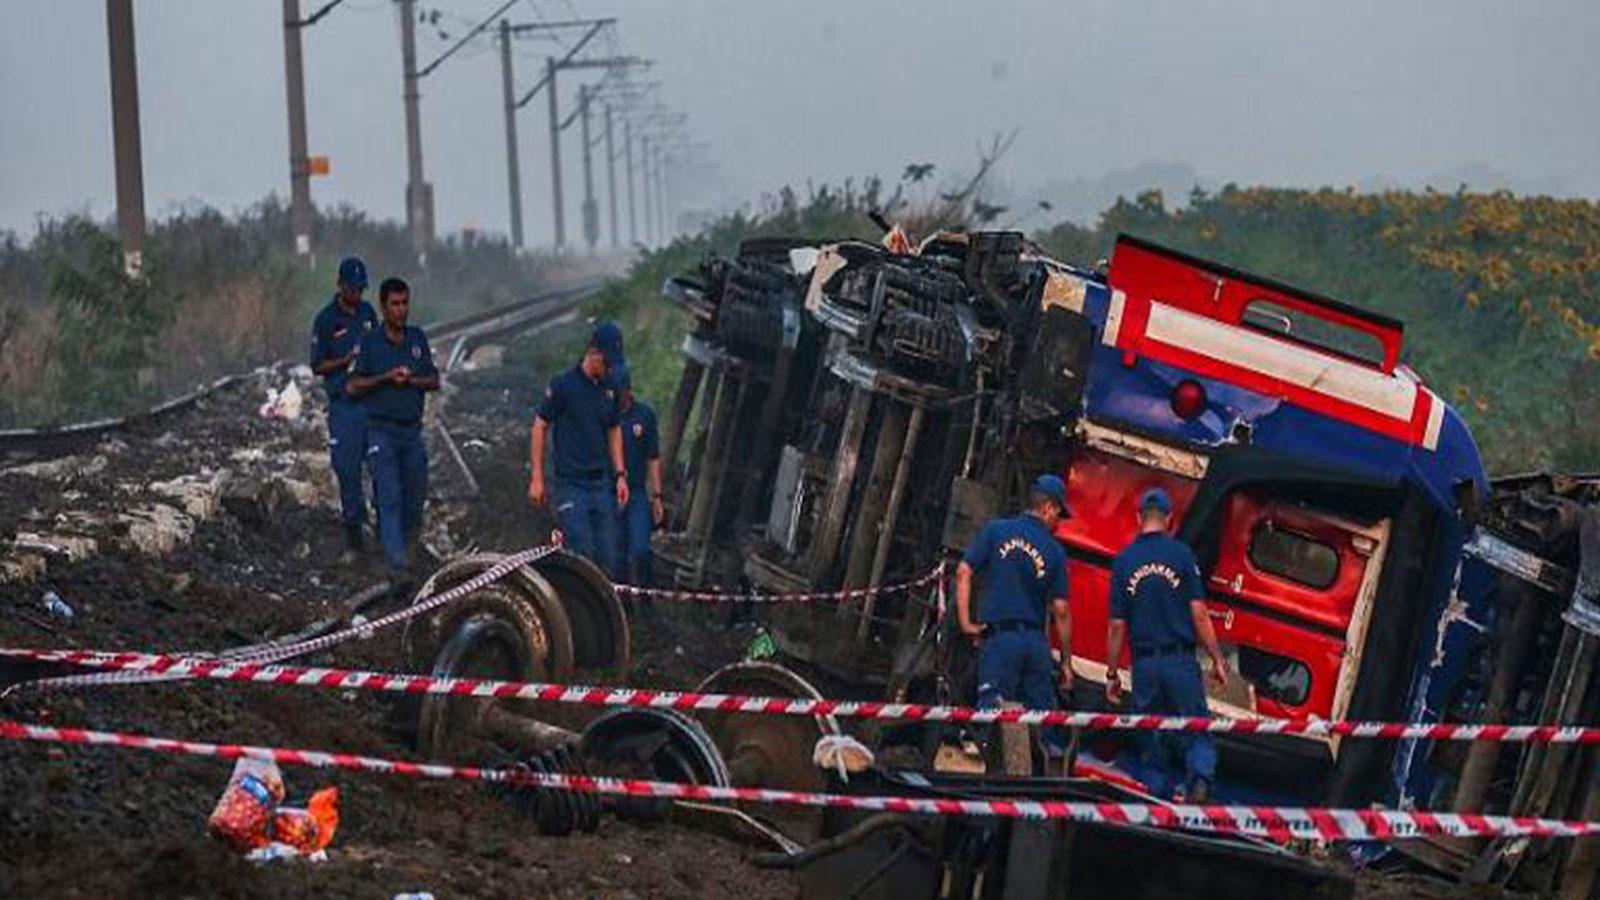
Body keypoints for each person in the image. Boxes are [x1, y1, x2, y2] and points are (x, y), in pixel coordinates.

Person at [1104, 487, 1229, 802]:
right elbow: (1199, 614)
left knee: (1151, 731)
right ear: (1170, 520)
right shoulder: (1182, 556)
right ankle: (1199, 781)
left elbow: (1116, 626)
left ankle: (1159, 794)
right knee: (1195, 726)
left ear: (1138, 519)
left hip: (1145, 664)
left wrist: (1112, 672)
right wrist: (1217, 658)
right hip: (1179, 661)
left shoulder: (1123, 562)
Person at [955, 474, 1074, 718]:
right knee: (1037, 721)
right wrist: (1065, 663)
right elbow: (1061, 610)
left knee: (992, 717)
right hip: (1035, 645)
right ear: (1047, 507)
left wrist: (966, 623)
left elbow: (963, 571)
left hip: (1000, 640)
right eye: (1058, 515)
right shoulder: (1056, 551)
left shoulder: (995, 531)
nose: (1058, 523)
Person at [346, 277, 439, 574]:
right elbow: (353, 385)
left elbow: (434, 379)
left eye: (405, 303)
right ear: (384, 308)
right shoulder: (370, 343)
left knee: (415, 493)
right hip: (380, 431)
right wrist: (385, 378)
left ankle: (409, 550)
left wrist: (410, 380)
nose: (401, 310)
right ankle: (396, 564)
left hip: (411, 432)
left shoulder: (417, 339)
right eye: (395, 304)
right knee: (389, 495)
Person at [527, 324, 629, 578]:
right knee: (580, 550)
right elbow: (540, 425)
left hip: (601, 483)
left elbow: (614, 429)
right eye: (605, 362)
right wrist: (537, 478)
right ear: (593, 353)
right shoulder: (563, 386)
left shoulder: (611, 386)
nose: (608, 369)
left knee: (609, 555)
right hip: (571, 483)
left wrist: (620, 474)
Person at [309, 256, 378, 558]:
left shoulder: (367, 313)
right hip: (344, 406)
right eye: (351, 289)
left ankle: (386, 530)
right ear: (340, 286)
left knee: (380, 466)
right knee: (347, 469)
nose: (356, 295)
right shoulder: (325, 320)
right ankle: (354, 538)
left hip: (372, 404)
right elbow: (317, 365)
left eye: (360, 290)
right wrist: (346, 360)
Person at [615, 365, 664, 586]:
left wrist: (657, 495)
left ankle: (646, 595)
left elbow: (653, 457)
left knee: (641, 549)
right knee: (617, 555)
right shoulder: (605, 417)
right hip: (610, 493)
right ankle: (624, 605)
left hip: (635, 492)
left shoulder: (644, 416)